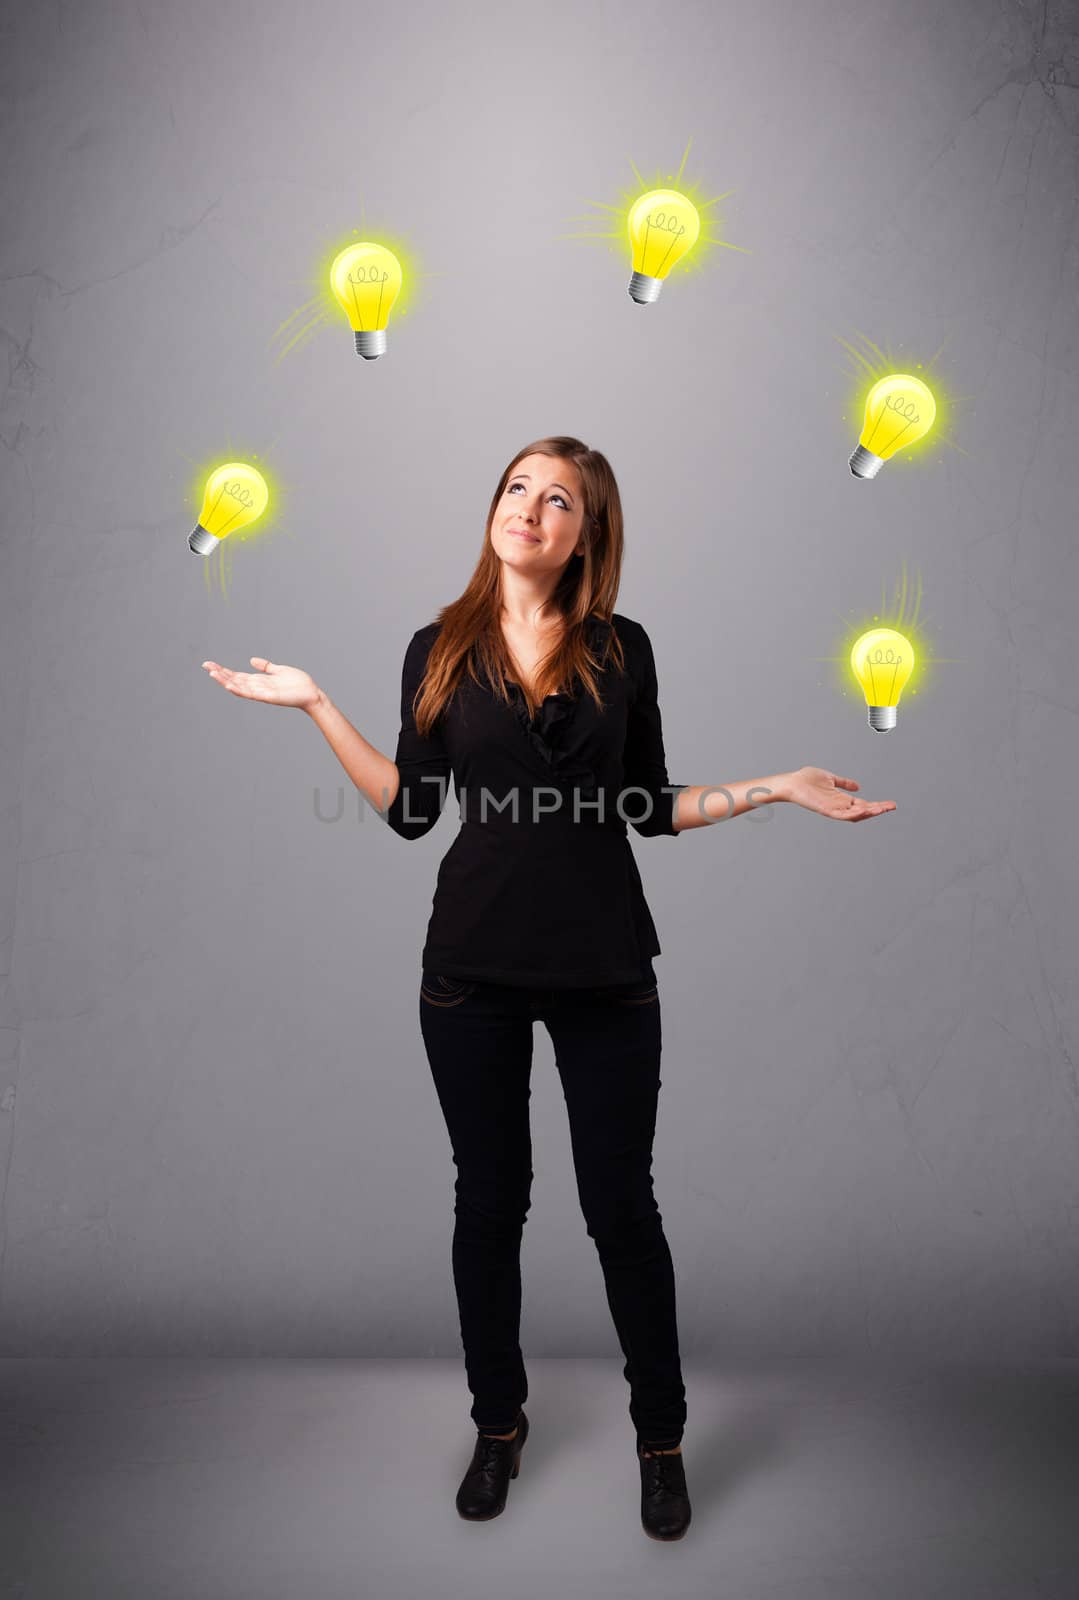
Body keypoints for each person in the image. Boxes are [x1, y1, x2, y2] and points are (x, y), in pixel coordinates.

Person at [200, 434, 895, 1541]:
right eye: (516, 487)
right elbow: (413, 810)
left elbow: (643, 805)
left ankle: (659, 1443)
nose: (528, 507)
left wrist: (777, 785)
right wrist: (315, 706)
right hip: (468, 968)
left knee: (620, 1209)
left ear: (586, 533)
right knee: (489, 1204)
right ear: (494, 509)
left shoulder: (623, 649)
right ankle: (497, 1425)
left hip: (602, 966)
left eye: (557, 498)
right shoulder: (438, 644)